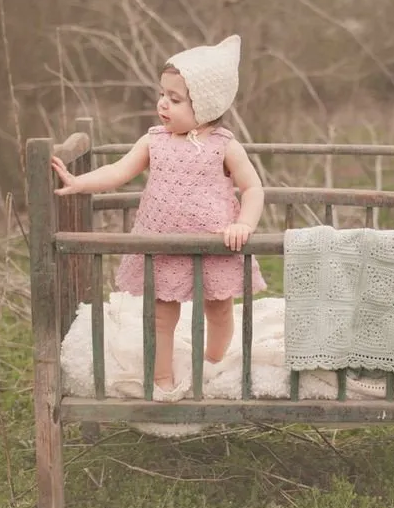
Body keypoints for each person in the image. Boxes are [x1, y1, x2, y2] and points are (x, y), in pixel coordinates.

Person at [50, 34, 267, 399]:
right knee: (161, 317)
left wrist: (244, 224)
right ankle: (162, 379)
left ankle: (213, 365)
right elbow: (119, 171)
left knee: (219, 311)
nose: (162, 104)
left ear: (206, 105)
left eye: (175, 99)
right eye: (163, 95)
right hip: (161, 247)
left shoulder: (224, 145)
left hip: (214, 246)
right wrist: (79, 181)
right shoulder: (154, 140)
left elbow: (253, 188)